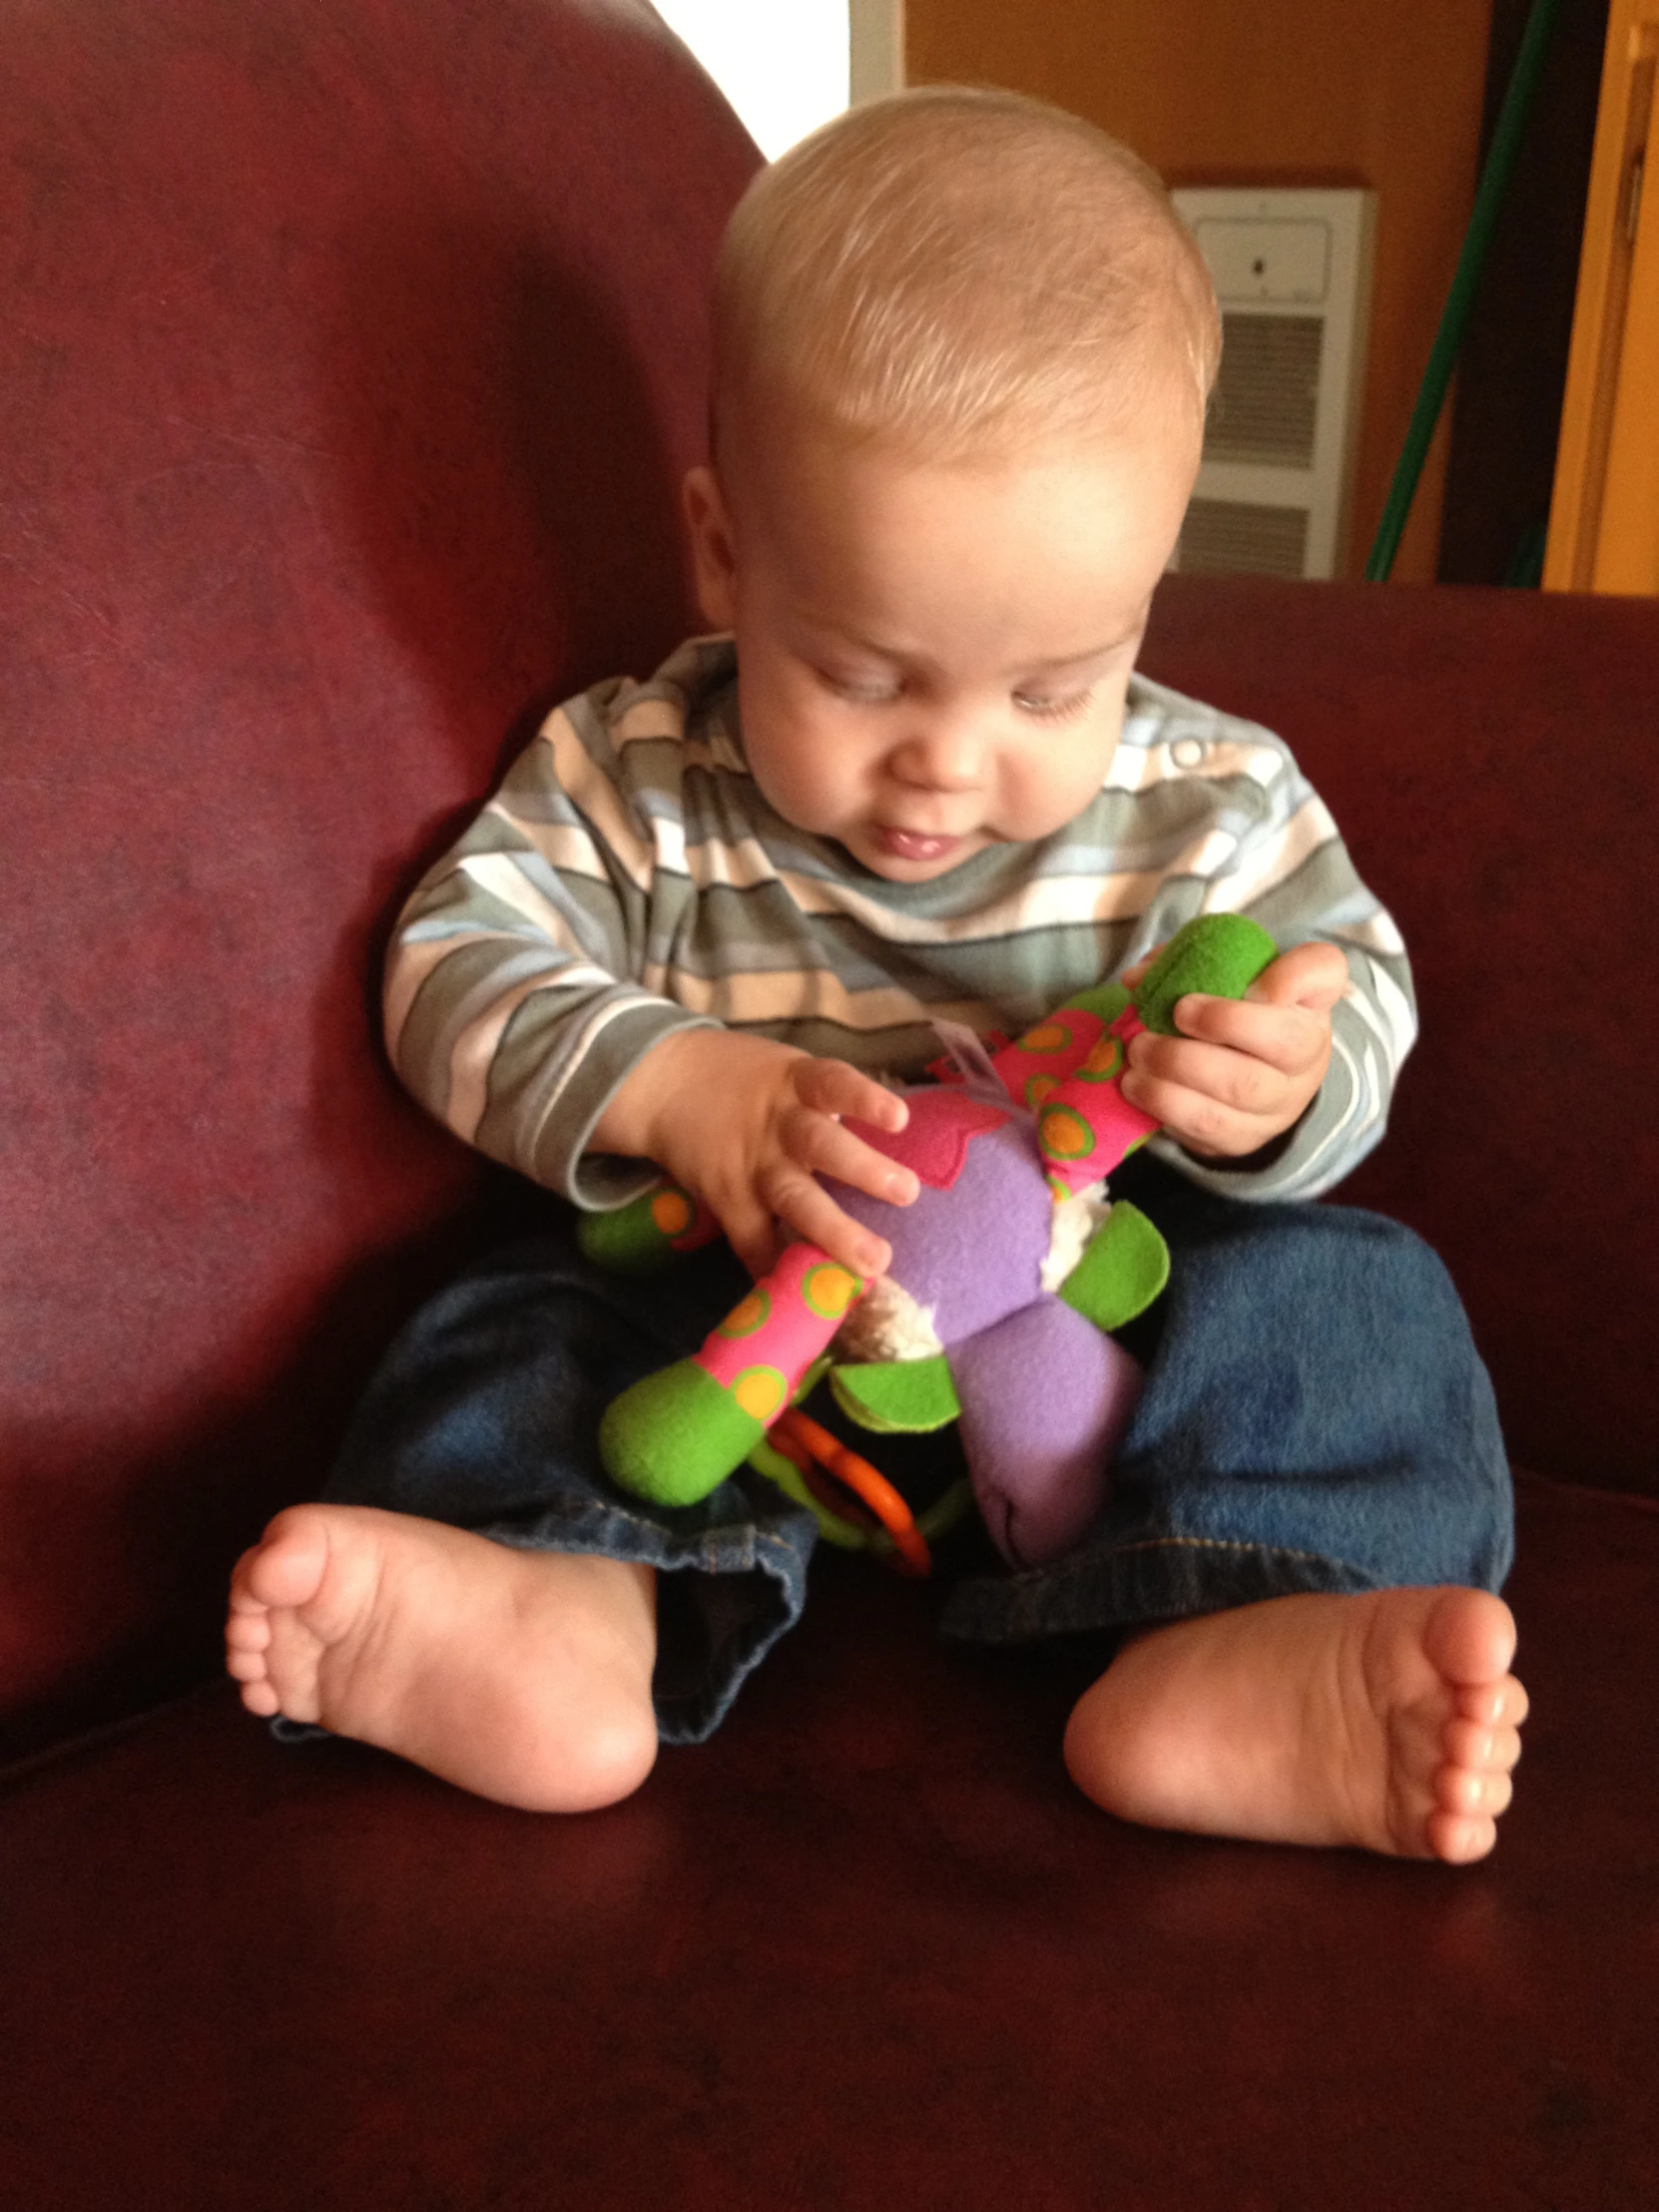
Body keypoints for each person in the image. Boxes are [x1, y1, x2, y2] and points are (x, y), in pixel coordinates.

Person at [225, 87, 1526, 1860]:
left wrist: (1282, 1079)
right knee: (515, 1324)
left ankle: (1243, 1628)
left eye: (1050, 688)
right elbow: (451, 965)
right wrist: (679, 1090)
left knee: (1358, 1292)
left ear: (1148, 594)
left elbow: (1350, 985)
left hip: (1106, 1352)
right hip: (734, 1352)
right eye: (862, 674)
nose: (949, 764)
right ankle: (559, 1607)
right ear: (723, 552)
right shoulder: (636, 778)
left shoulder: (1209, 804)